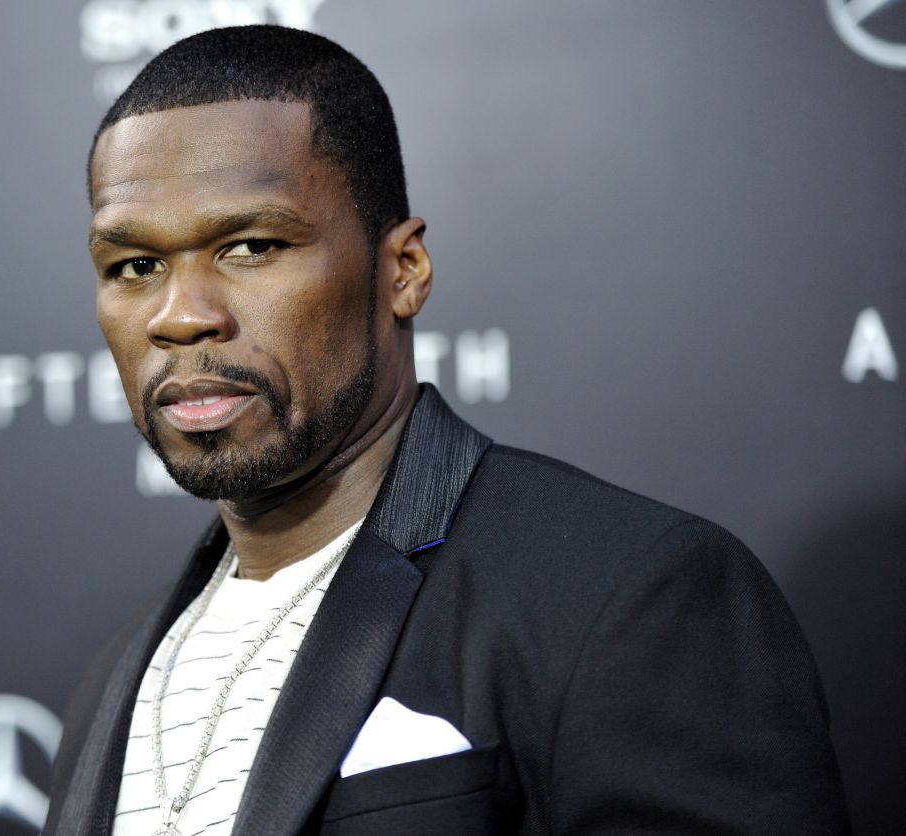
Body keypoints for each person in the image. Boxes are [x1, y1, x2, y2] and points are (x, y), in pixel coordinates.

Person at [43, 25, 848, 836]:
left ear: (403, 271)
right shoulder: (113, 681)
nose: (181, 316)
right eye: (135, 266)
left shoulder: (627, 597)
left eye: (252, 247)